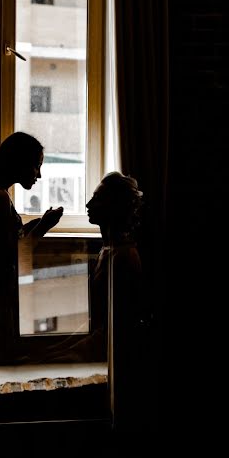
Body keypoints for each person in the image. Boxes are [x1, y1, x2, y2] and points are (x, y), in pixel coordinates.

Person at [0, 132, 64, 320]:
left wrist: (37, 224)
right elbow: (12, 257)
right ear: (21, 162)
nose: (40, 175)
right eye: (37, 166)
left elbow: (6, 240)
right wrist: (43, 227)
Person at [85, 171, 150, 435]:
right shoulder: (108, 250)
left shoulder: (124, 257)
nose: (88, 205)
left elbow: (114, 329)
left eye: (97, 200)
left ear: (114, 207)